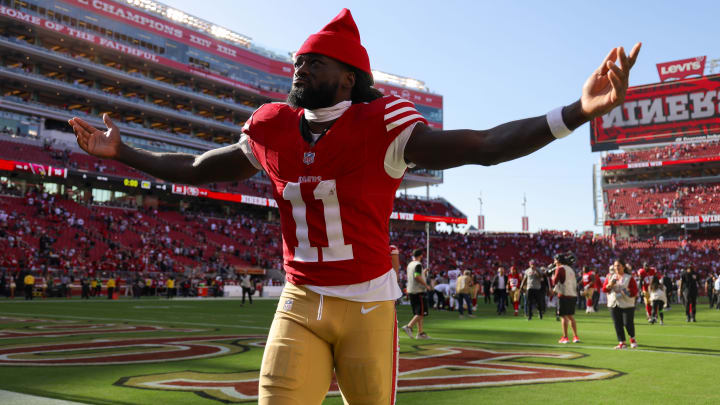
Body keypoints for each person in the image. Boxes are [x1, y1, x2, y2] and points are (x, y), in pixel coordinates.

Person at [67, 8, 641, 403]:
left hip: (368, 309)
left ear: (349, 78)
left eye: (314, 62)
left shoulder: (382, 123)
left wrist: (578, 110)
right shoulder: (270, 126)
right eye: (298, 60)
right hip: (299, 302)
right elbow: (198, 168)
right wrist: (124, 152)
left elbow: (484, 146)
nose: (300, 68)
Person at [602, 259, 639, 349]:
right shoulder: (610, 277)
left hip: (627, 304)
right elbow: (604, 289)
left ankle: (632, 339)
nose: (616, 268)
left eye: (618, 265)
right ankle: (621, 342)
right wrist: (609, 285)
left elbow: (634, 292)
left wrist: (626, 291)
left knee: (627, 323)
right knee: (617, 324)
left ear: (623, 267)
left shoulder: (629, 277)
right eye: (615, 266)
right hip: (613, 303)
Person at [551, 253, 580, 344]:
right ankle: (575, 336)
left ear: (558, 260)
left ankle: (565, 337)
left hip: (564, 294)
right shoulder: (571, 269)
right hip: (572, 294)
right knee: (571, 316)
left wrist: (552, 276)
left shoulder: (559, 268)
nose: (554, 262)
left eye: (555, 260)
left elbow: (554, 281)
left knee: (563, 316)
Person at [402, 248, 431, 339]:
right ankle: (409, 326)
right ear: (421, 256)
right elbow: (417, 276)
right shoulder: (418, 264)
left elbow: (416, 274)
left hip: (411, 290)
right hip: (418, 291)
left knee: (418, 313)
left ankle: (420, 333)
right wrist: (426, 285)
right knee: (421, 313)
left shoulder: (410, 264)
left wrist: (424, 272)